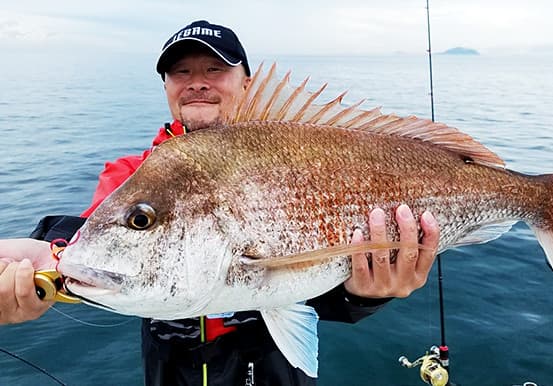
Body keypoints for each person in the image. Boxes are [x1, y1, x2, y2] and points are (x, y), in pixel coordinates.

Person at [0, 20, 440, 386]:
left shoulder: (303, 150)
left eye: (215, 69)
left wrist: (365, 298)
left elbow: (311, 287)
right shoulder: (133, 175)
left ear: (246, 82)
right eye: (181, 72)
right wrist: (45, 261)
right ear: (166, 86)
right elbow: (87, 239)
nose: (197, 83)